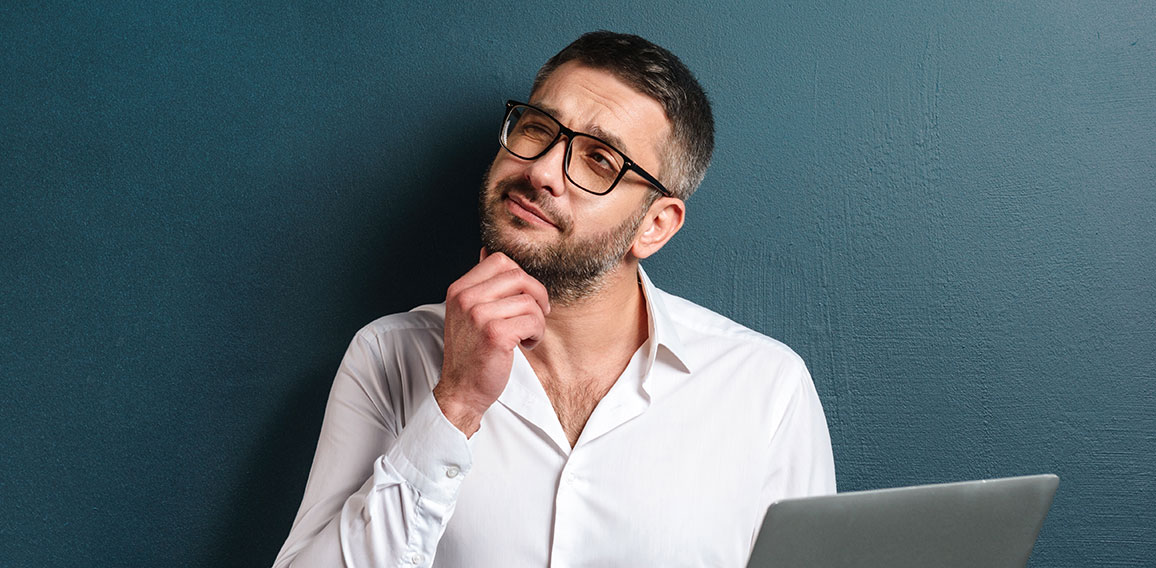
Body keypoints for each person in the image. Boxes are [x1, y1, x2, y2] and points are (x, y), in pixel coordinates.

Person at [274, 31, 835, 567]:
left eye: (599, 160)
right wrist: (456, 405)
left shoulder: (766, 389)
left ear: (655, 226)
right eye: (538, 129)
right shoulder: (388, 356)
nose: (542, 170)